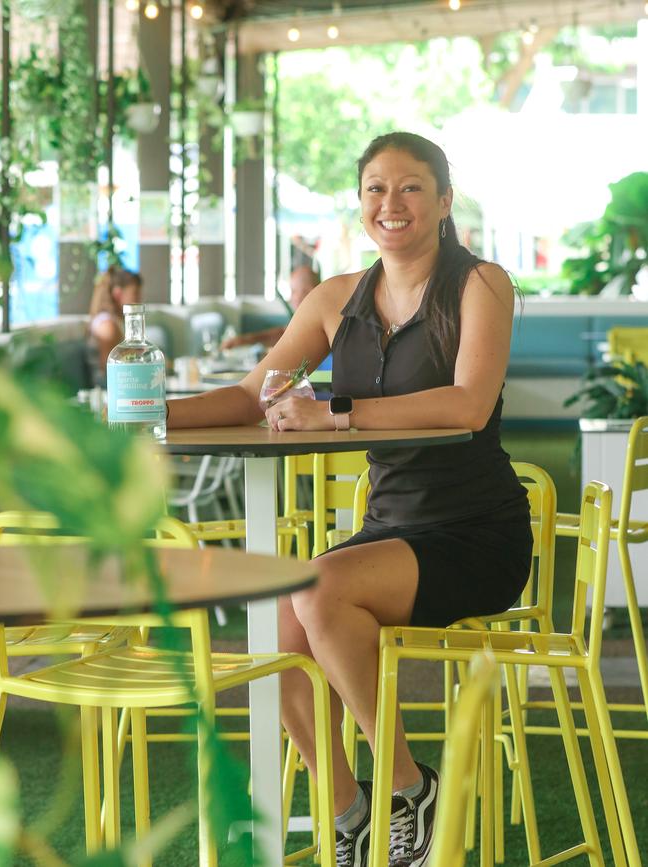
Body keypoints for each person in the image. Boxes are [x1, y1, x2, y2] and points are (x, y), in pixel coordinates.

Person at [166, 132, 533, 866]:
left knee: (322, 587)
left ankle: (410, 788)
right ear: (360, 202)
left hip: (475, 533)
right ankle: (349, 809)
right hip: (390, 527)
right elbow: (251, 393)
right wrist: (147, 413)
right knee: (275, 608)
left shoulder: (480, 284)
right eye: (374, 188)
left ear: (443, 202)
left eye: (409, 187)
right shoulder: (336, 299)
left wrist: (337, 413)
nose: (389, 204)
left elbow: (467, 403)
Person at [220, 265, 319, 350]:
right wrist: (243, 340)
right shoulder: (307, 318)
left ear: (310, 292)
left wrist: (244, 340)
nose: (290, 298)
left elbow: (283, 336)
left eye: (294, 291)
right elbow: (284, 333)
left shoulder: (316, 320)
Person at [88, 266, 143, 372]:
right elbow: (107, 368)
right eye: (135, 293)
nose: (139, 299)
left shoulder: (114, 321)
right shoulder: (107, 325)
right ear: (118, 294)